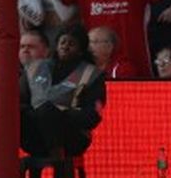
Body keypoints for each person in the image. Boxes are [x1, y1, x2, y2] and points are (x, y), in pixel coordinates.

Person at [20, 26, 106, 164]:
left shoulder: (91, 74)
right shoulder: (35, 68)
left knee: (47, 110)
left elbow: (93, 116)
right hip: (36, 134)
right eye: (63, 42)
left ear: (81, 50)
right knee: (15, 112)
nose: (65, 47)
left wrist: (62, 113)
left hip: (72, 137)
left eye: (71, 44)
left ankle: (59, 161)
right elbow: (20, 99)